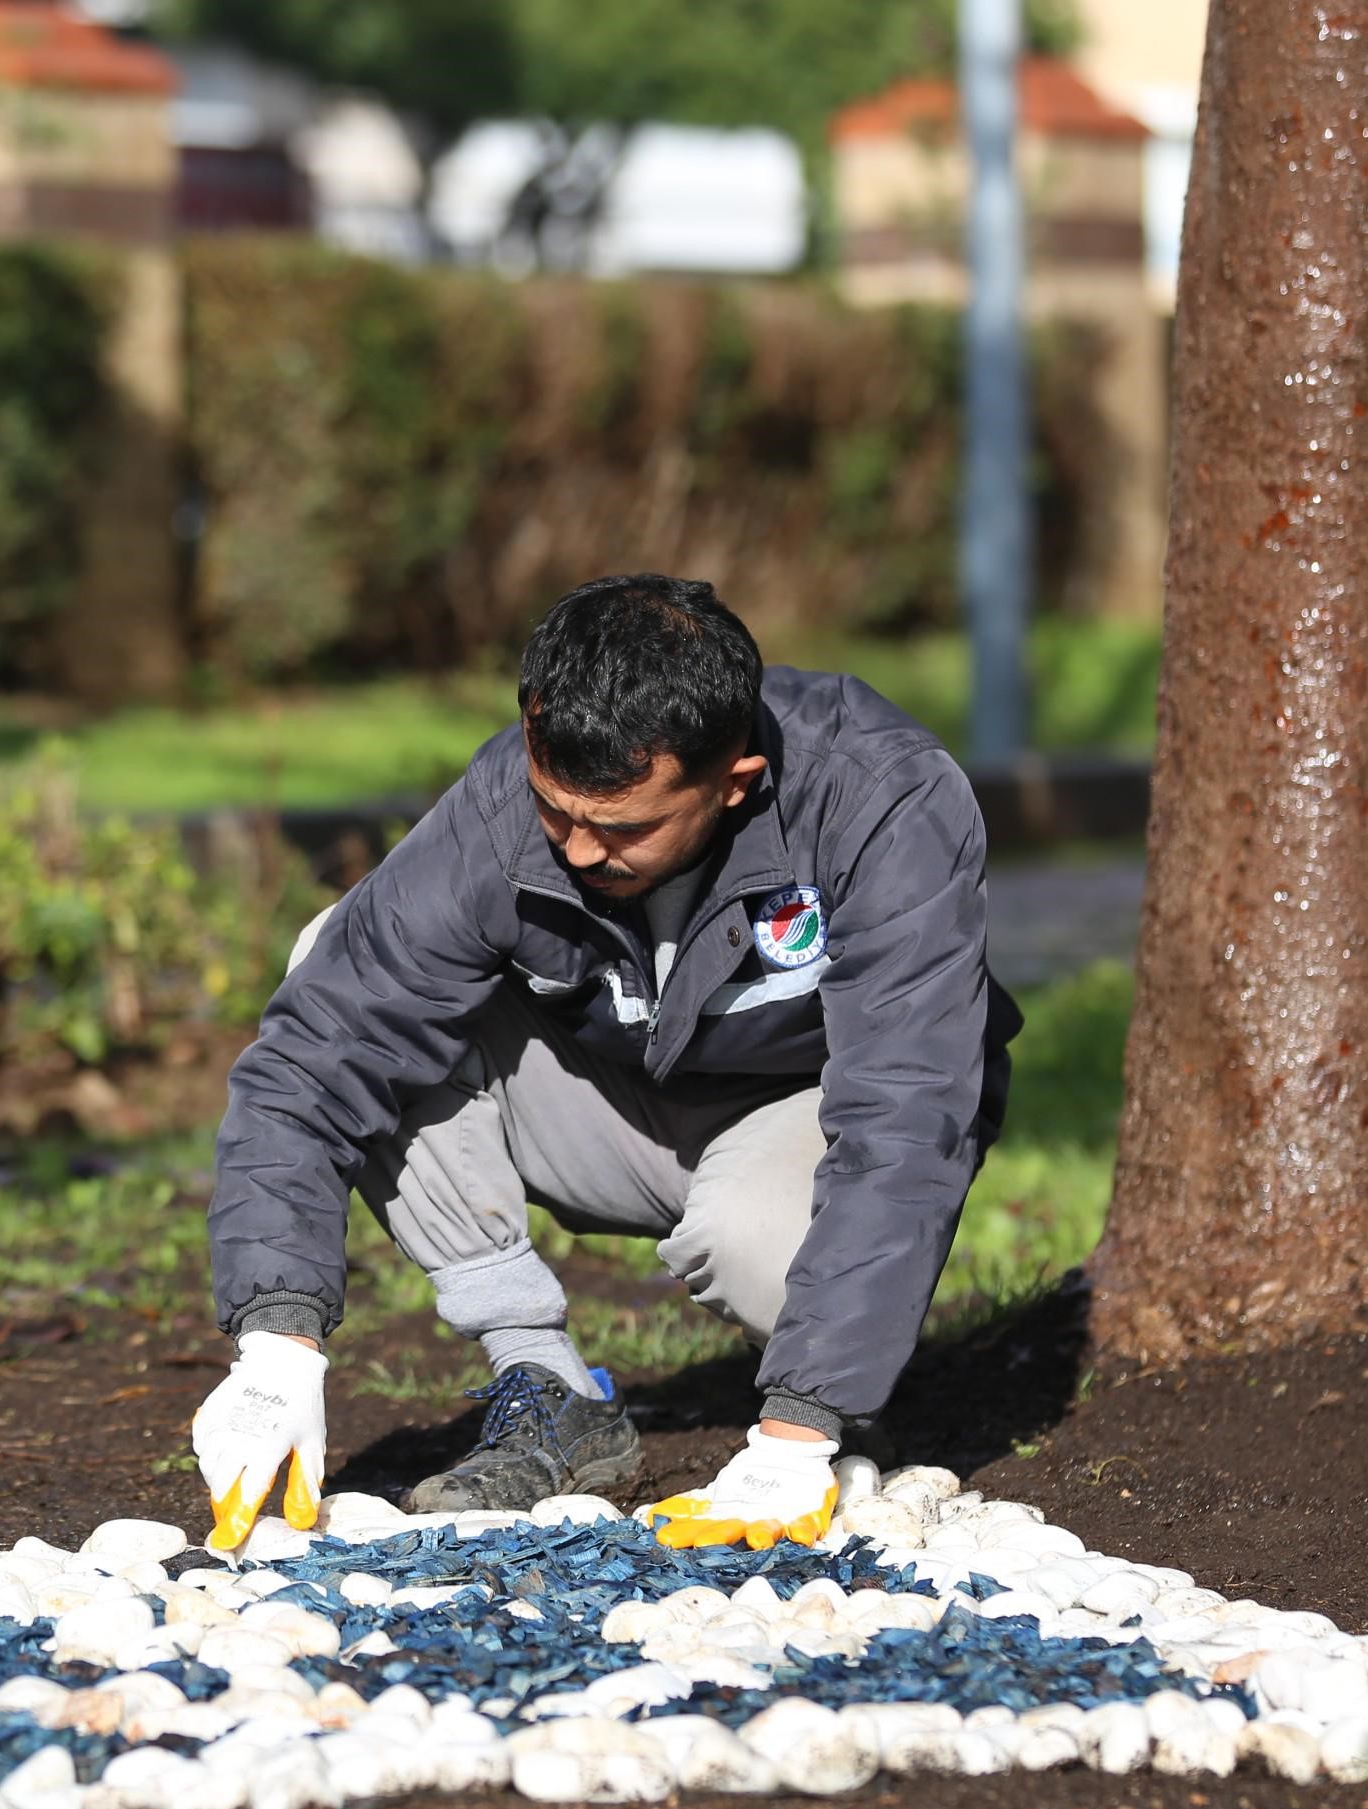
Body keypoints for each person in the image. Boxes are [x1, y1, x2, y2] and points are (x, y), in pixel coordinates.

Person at [191, 573, 1018, 1552]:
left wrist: (802, 1433)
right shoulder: (504, 806)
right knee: (332, 952)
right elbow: (315, 1055)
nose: (577, 850)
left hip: (807, 1109)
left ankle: (831, 1396)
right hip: (611, 1102)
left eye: (621, 827)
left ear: (736, 780)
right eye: (556, 812)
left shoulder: (883, 796)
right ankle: (546, 1382)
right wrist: (274, 1338)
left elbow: (907, 1108)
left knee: (763, 1251)